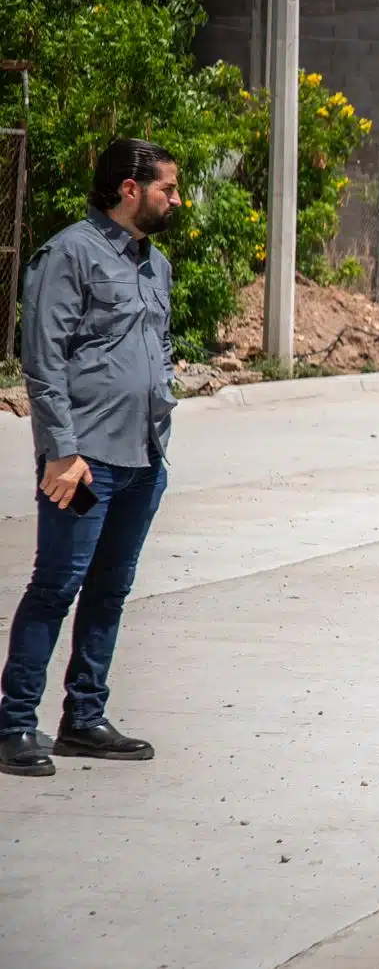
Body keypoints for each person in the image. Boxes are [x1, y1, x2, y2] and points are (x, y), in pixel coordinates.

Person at [1, 139, 181, 778]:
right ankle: (16, 724)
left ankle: (83, 718)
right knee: (56, 586)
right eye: (167, 188)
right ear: (130, 189)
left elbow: (156, 346)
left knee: (111, 589)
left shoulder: (154, 263)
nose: (175, 200)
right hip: (84, 462)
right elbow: (44, 360)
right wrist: (60, 451)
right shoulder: (70, 253)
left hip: (143, 459)